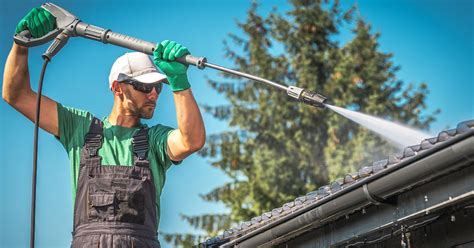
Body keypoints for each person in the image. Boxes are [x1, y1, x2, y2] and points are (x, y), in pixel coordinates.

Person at [3, 7, 205, 247]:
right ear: (117, 87)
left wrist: (179, 82)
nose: (153, 94)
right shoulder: (79, 128)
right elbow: (16, 95)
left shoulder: (155, 141)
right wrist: (21, 44)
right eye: (143, 87)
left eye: (158, 88)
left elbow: (191, 141)